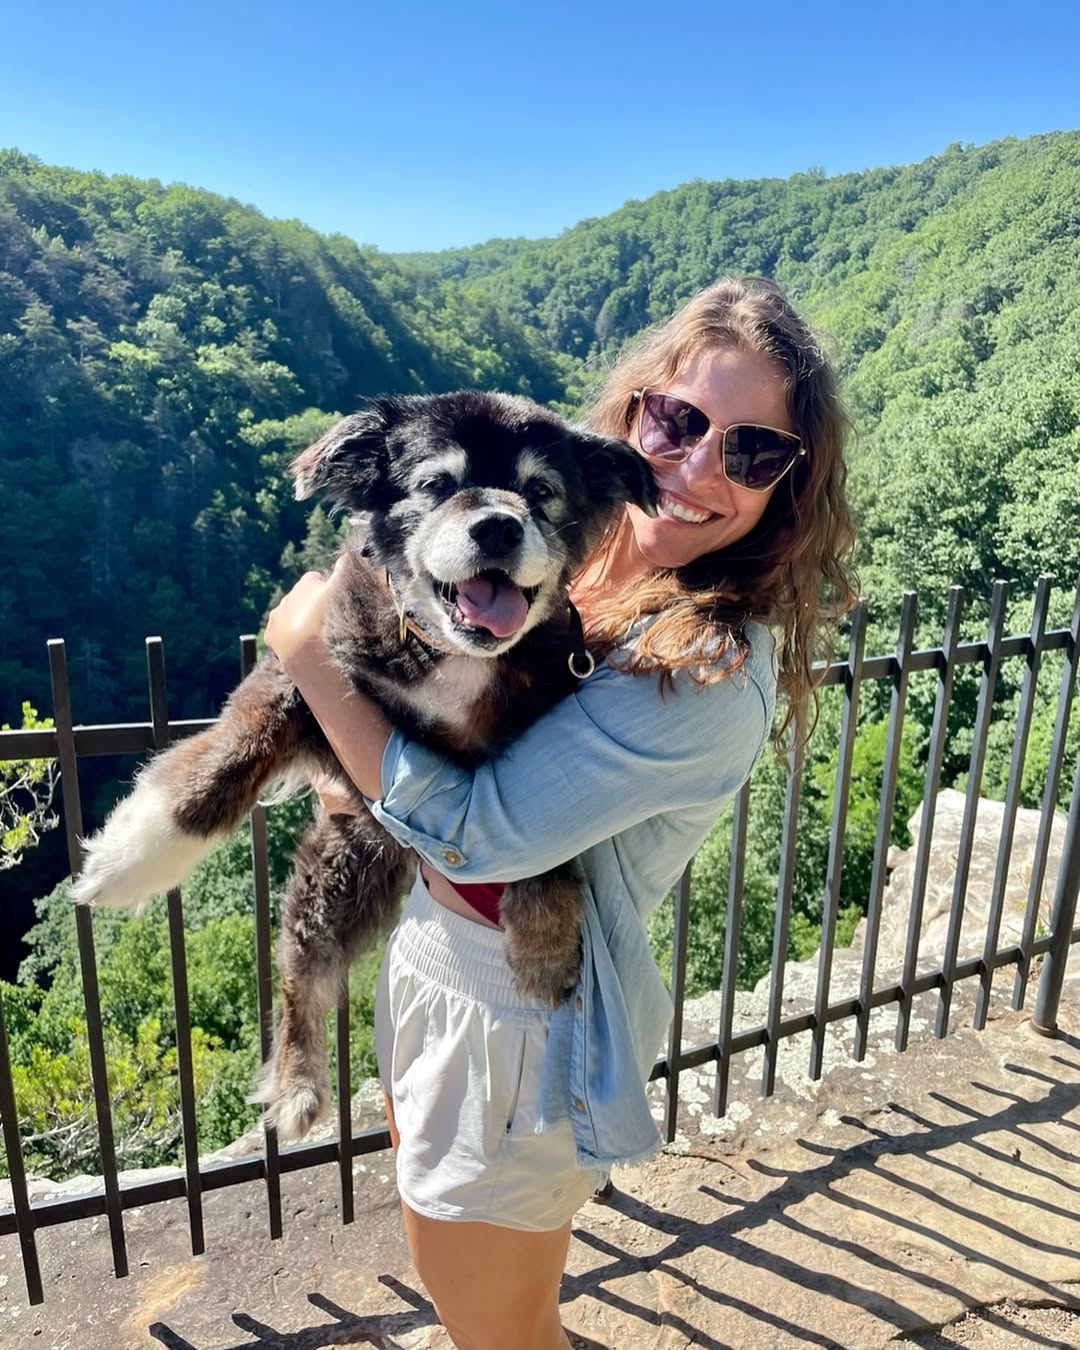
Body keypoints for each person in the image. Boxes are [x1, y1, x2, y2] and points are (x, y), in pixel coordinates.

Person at [264, 276, 856, 1350]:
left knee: (498, 1326)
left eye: (753, 453)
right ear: (633, 414)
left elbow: (481, 835)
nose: (696, 467)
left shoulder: (710, 671)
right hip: (438, 968)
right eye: (679, 421)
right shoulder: (559, 548)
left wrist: (311, 662)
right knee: (473, 1297)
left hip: (519, 1022)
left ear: (790, 489)